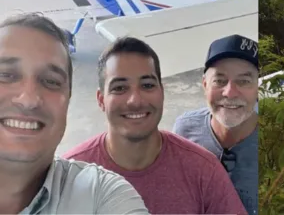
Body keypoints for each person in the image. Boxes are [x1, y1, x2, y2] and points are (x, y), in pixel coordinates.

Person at [63, 37, 247, 215]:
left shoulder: (203, 171)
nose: (135, 100)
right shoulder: (69, 179)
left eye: (147, 85)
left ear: (162, 93)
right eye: (119, 88)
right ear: (101, 100)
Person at [0, 13, 149, 214]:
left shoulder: (100, 195)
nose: (29, 99)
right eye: (6, 75)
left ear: (68, 101)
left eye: (51, 81)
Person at [173, 34, 259, 215]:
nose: (230, 92)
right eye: (219, 81)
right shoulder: (185, 130)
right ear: (205, 85)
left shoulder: (280, 138)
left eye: (244, 81)